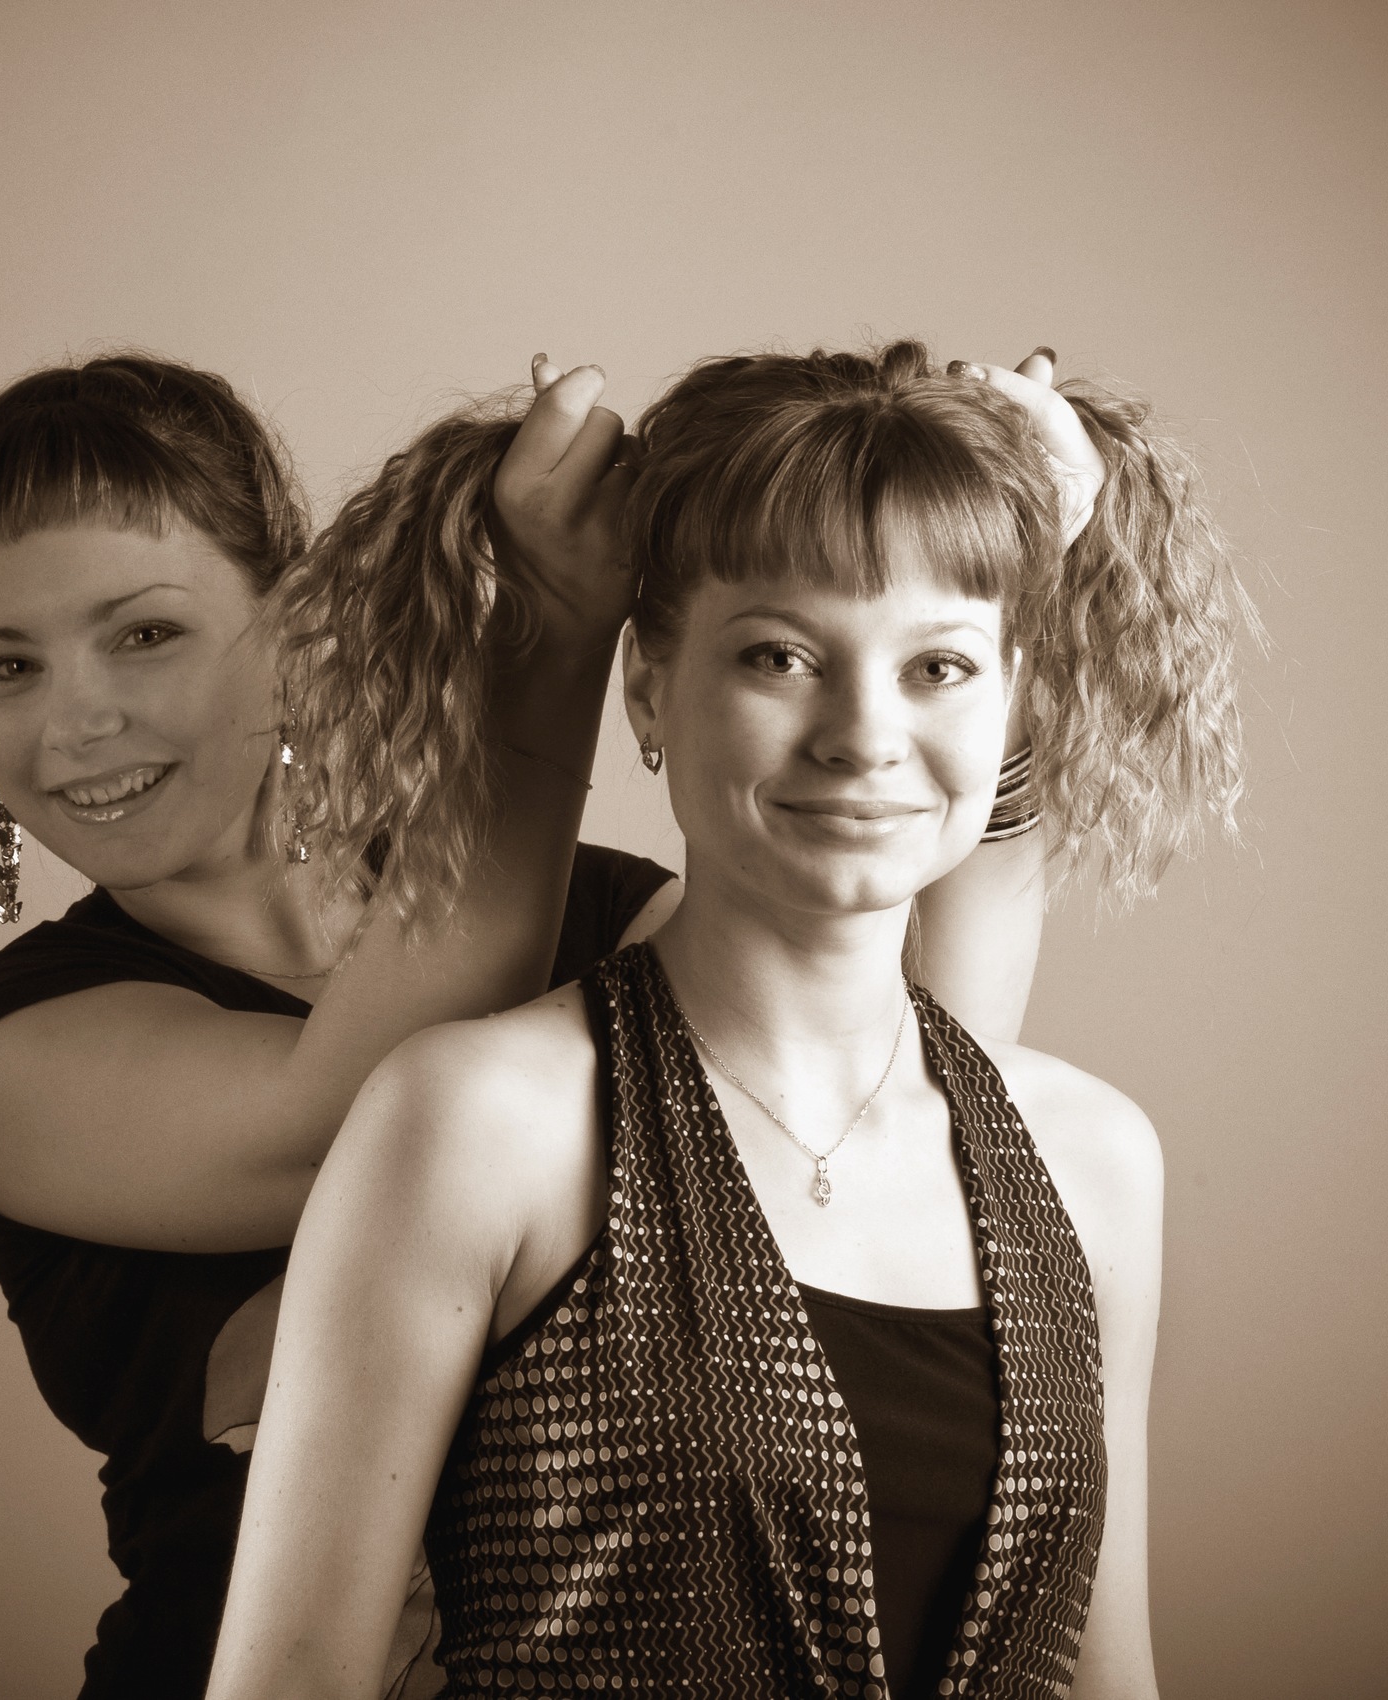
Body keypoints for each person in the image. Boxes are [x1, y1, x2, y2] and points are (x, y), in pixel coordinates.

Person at [0, 348, 1082, 1697]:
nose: (76, 720)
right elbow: (363, 1116)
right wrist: (553, 628)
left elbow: (914, 1097)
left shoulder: (603, 916)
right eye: (6, 666)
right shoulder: (14, 1053)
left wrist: (1017, 598)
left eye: (144, 634)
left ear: (297, 619)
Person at [207, 341, 1251, 1700]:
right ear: (649, 685)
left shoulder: (1092, 1158)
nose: (863, 734)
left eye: (939, 666)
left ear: (1013, 701)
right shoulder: (481, 1122)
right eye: (780, 656)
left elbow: (1111, 1680)